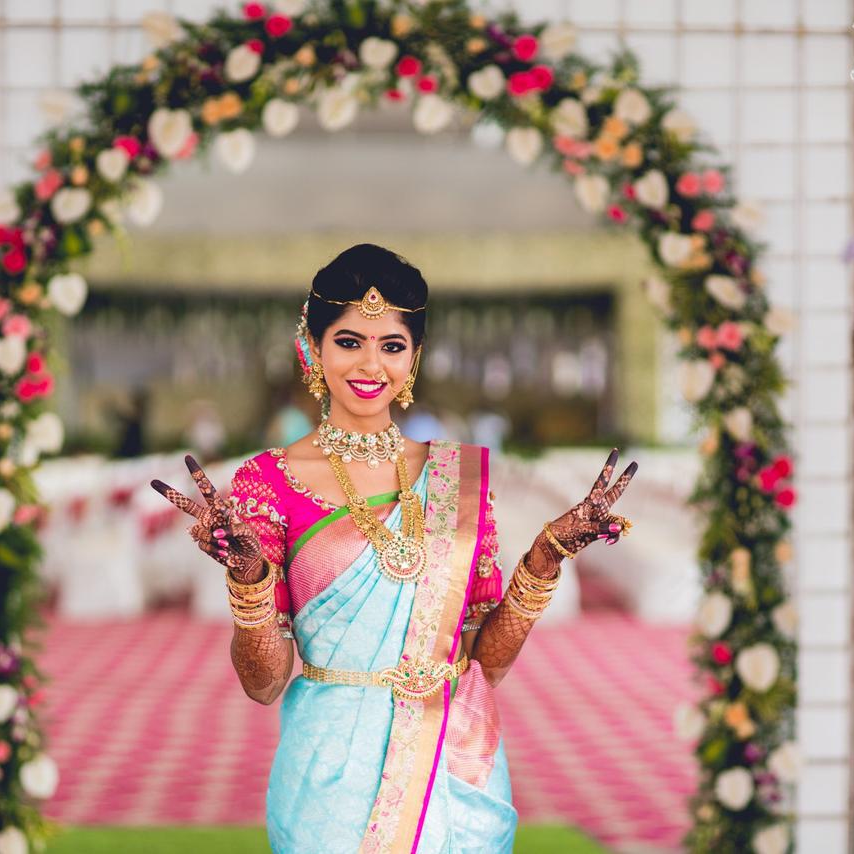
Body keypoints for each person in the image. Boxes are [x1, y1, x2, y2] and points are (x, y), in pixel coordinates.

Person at [151, 244, 637, 853]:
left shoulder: (456, 478)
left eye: (392, 345)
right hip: (330, 775)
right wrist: (249, 582)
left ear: (415, 356)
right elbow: (265, 684)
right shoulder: (267, 482)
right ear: (313, 346)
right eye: (350, 341)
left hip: (453, 759)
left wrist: (546, 557)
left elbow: (488, 661)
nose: (370, 364)